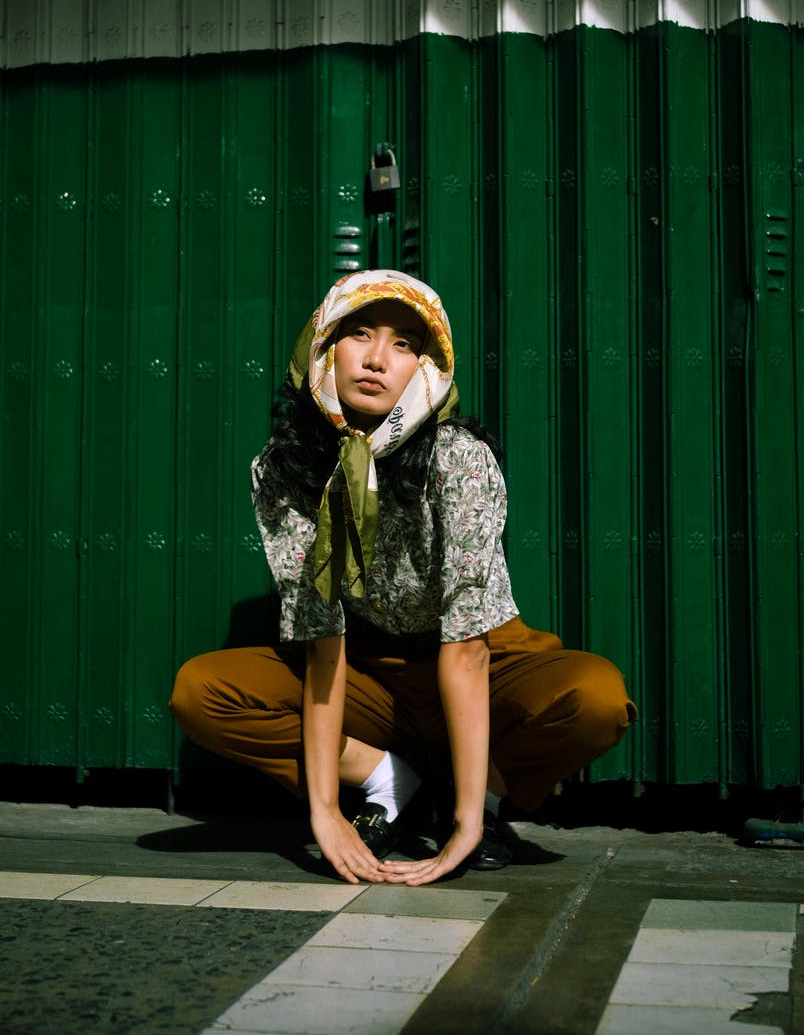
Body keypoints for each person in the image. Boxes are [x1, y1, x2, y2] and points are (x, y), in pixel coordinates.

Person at [170, 270, 636, 887]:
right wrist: (325, 811)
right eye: (359, 333)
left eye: (404, 344)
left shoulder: (458, 457)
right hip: (366, 670)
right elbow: (323, 639)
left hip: (479, 658)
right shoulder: (284, 467)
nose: (376, 359)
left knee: (596, 699)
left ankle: (481, 798)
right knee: (201, 691)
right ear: (323, 346)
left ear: (426, 367)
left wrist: (468, 823)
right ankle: (392, 781)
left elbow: (467, 647)